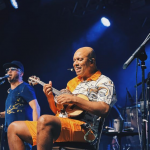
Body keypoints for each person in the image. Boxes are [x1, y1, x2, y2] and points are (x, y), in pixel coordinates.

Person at [7, 47, 117, 150]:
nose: (75, 64)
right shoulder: (73, 83)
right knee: (14, 127)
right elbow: (58, 112)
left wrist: (74, 99)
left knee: (45, 120)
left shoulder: (104, 82)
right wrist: (50, 98)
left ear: (91, 62)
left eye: (79, 60)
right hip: (63, 124)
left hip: (86, 130)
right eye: (74, 60)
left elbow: (104, 109)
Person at [0, 61, 40, 150]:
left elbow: (35, 107)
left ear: (21, 73)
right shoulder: (10, 91)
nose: (9, 72)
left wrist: (35, 129)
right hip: (9, 134)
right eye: (7, 70)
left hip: (21, 134)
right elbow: (10, 111)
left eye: (13, 69)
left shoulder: (25, 87)